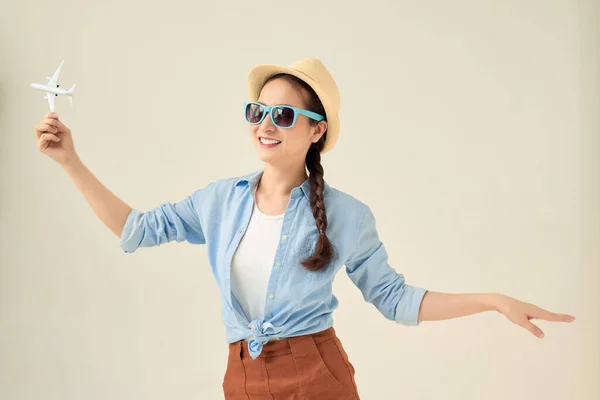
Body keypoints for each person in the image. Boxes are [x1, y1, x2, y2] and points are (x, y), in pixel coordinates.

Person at [34, 57, 575, 399]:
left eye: (283, 116)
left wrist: (493, 299)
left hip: (317, 376)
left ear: (316, 131)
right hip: (241, 377)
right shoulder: (219, 201)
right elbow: (134, 230)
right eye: (256, 112)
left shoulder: (345, 214)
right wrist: (70, 162)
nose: (265, 126)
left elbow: (393, 297)